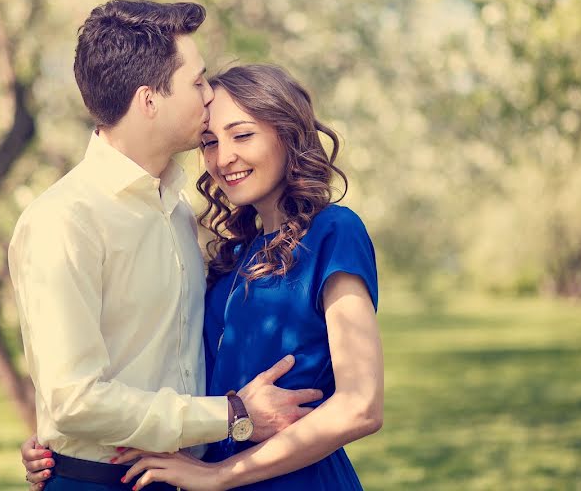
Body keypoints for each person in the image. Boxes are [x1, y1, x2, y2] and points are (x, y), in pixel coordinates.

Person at [24, 64, 384, 490]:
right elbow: (177, 368)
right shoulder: (231, 255)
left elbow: (361, 406)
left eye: (243, 135)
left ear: (287, 134)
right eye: (210, 142)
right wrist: (68, 444)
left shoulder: (334, 232)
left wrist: (219, 475)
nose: (223, 157)